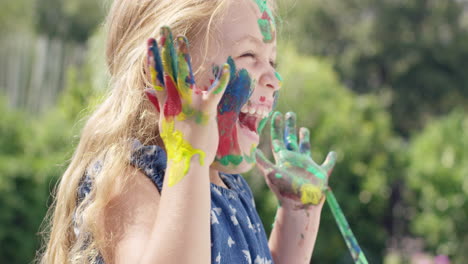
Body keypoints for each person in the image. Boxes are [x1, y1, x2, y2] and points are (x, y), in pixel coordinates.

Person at [38, 0, 337, 263]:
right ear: (161, 71)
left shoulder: (232, 188)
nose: (274, 78)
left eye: (271, 61)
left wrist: (299, 213)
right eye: (250, 56)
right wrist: (189, 156)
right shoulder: (127, 184)